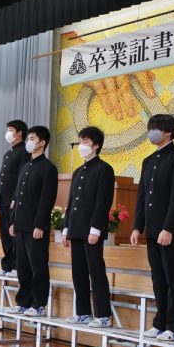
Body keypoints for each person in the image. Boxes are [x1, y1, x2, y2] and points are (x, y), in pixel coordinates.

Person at [130, 114, 174, 341]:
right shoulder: (148, 161)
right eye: (150, 128)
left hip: (171, 231)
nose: (151, 132)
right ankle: (160, 322)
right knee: (158, 278)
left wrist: (169, 228)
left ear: (168, 132)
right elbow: (142, 197)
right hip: (152, 229)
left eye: (155, 128)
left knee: (173, 278)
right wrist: (137, 227)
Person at [62, 126, 115, 328]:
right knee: (79, 273)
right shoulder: (78, 171)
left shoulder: (104, 169)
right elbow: (71, 202)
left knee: (96, 272)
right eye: (80, 141)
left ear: (96, 146)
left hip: (91, 231)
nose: (81, 145)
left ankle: (103, 315)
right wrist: (66, 229)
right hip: (76, 228)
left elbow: (103, 202)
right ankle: (83, 312)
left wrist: (96, 229)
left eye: (85, 142)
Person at [7, 126, 58, 317]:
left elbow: (47, 200)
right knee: (22, 267)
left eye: (32, 138)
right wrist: (13, 221)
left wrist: (40, 225)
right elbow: (18, 197)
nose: (29, 141)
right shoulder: (25, 167)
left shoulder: (48, 168)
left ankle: (39, 304)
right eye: (28, 138)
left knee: (38, 266)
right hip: (20, 224)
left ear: (42, 143)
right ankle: (23, 302)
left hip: (35, 227)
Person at [0, 120, 30, 277]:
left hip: (13, 201)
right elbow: (1, 178)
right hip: (3, 200)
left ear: (19, 133)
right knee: (5, 236)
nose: (7, 133)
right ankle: (7, 266)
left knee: (14, 235)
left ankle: (16, 267)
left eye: (10, 130)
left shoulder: (24, 152)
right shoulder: (8, 153)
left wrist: (15, 198)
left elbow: (22, 178)